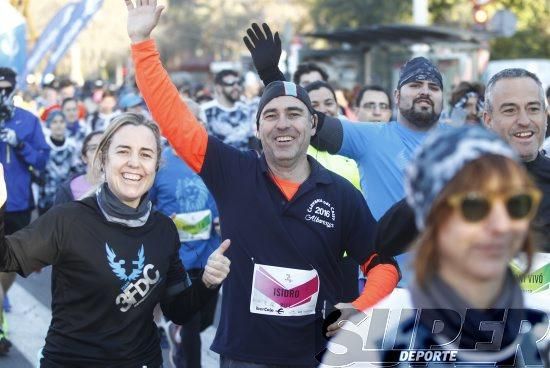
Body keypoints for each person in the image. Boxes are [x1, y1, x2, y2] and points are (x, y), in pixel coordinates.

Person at [126, 2, 400, 366]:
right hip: (245, 356)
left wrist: (358, 307)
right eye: (270, 115)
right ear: (257, 129)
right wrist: (142, 41)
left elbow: (383, 265)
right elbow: (174, 118)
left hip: (319, 355)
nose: (282, 124)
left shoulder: (340, 194)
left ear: (313, 126)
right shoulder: (233, 172)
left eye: (294, 114)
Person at [0, 112, 231, 366]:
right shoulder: (68, 220)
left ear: (155, 166)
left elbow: (178, 310)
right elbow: (6, 256)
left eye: (145, 154)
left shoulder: (163, 229)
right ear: (103, 159)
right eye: (123, 151)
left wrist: (208, 282)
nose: (134, 163)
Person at [244, 23, 446, 286]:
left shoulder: (466, 144)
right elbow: (309, 123)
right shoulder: (371, 137)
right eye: (415, 84)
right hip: (390, 287)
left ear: (443, 96)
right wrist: (272, 75)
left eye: (434, 87)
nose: (425, 91)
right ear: (397, 96)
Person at [371, 126, 548, 366]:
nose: (501, 225)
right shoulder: (378, 334)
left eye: (515, 204)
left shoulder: (543, 321)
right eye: (474, 206)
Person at [150, 145, 221, 368]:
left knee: (205, 319)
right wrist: (161, 223)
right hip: (177, 258)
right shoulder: (161, 163)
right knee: (191, 323)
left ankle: (175, 327)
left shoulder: (213, 158)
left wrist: (224, 219)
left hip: (210, 252)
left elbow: (228, 195)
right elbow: (146, 205)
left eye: (198, 120)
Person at [0, 66, 50, 354]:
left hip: (17, 202)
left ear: (15, 89)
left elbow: (42, 161)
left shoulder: (28, 120)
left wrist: (20, 145)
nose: (2, 94)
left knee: (8, 264)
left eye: (7, 88)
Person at [200, 69, 257, 151]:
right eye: (230, 83)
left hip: (245, 161)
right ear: (218, 88)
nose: (236, 87)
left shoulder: (246, 110)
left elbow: (252, 139)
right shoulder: (206, 111)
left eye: (238, 83)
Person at [37, 111, 80, 214]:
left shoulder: (72, 146)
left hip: (66, 199)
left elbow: (76, 171)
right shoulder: (43, 146)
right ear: (49, 125)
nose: (58, 125)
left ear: (66, 124)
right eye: (54, 122)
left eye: (61, 121)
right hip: (45, 200)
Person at [54, 130, 103, 205]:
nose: (99, 152)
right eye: (93, 148)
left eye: (105, 147)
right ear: (84, 158)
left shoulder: (120, 187)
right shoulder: (68, 189)